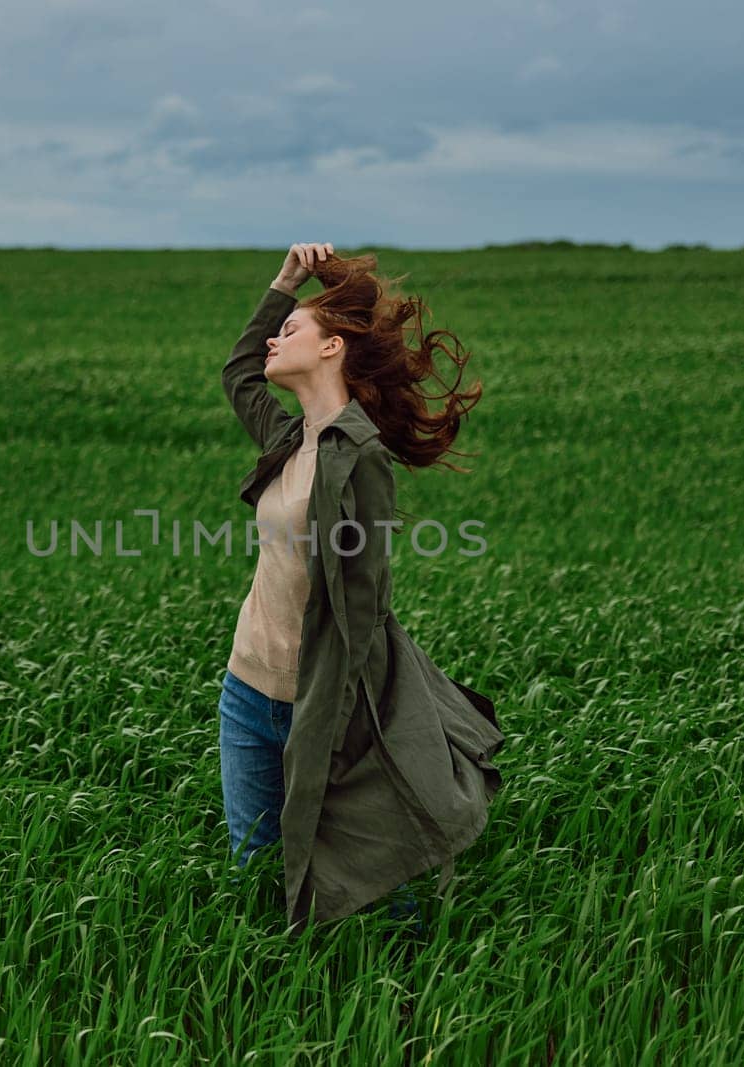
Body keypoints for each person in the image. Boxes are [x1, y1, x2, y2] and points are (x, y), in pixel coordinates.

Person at [218, 242, 487, 936]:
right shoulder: (289, 438)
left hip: (318, 699)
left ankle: (401, 997)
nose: (278, 339)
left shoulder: (359, 457)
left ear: (333, 346)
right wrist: (283, 286)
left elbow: (361, 611)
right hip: (247, 693)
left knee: (360, 882)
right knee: (257, 879)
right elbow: (239, 371)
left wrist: (336, 723)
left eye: (294, 329)